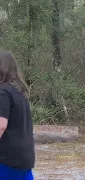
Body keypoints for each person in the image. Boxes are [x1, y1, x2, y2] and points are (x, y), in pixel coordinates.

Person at [0, 51, 35, 179]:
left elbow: (1, 125)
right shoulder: (20, 91)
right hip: (24, 157)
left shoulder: (3, 92)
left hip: (6, 159)